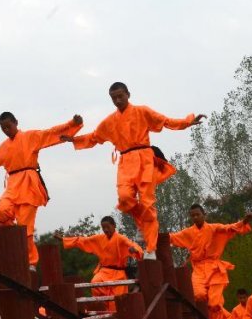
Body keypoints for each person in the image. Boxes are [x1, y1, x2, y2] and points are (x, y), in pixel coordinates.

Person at [61, 82, 205, 258]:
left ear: (128, 94)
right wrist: (73, 140)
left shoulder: (142, 111)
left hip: (144, 158)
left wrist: (188, 122)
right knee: (125, 198)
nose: (118, 100)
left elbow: (165, 121)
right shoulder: (109, 121)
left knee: (147, 203)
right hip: (126, 162)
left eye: (120, 96)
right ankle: (143, 223)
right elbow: (94, 137)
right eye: (114, 98)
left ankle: (150, 249)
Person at [0, 112, 83, 268]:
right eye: (3, 128)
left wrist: (71, 124)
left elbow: (50, 133)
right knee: (2, 212)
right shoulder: (4, 147)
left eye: (8, 126)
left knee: (25, 226)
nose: (6, 130)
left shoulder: (30, 137)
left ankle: (31, 262)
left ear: (16, 123)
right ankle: (13, 246)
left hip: (29, 184)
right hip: (12, 185)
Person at [169, 205, 252, 319]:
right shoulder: (188, 232)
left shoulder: (214, 228)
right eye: (192, 215)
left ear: (204, 215)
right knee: (198, 295)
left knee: (214, 303)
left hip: (215, 269)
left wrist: (244, 221)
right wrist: (152, 234)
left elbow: (229, 228)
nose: (195, 217)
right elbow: (172, 237)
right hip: (198, 269)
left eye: (197, 214)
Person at [54, 216, 142, 312]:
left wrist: (135, 249)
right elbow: (83, 240)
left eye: (107, 227)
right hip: (104, 271)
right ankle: (101, 309)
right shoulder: (99, 238)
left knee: (116, 302)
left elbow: (132, 245)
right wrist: (64, 239)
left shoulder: (120, 238)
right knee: (95, 282)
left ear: (114, 226)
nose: (105, 230)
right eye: (103, 227)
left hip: (118, 274)